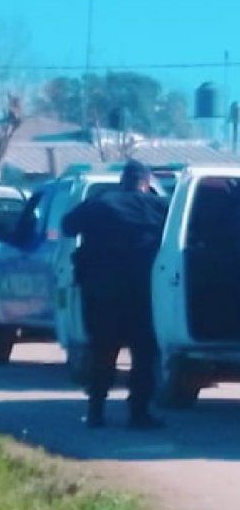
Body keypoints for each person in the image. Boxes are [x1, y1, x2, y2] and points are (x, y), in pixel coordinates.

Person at [62, 159, 168, 430]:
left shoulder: (100, 203)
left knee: (102, 352)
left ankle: (96, 411)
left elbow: (67, 226)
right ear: (146, 184)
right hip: (143, 294)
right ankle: (139, 413)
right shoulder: (159, 207)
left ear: (122, 181)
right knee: (144, 355)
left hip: (102, 293)